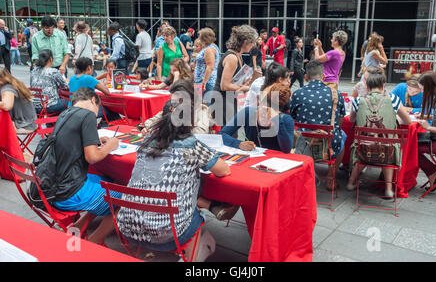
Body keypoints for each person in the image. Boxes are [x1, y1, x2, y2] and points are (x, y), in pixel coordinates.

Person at [116, 99, 230, 261]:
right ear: (190, 123)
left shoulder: (146, 143)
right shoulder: (191, 145)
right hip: (169, 232)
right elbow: (223, 170)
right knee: (195, 216)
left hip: (128, 227)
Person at [49, 87, 121, 245]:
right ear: (93, 101)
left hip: (54, 186)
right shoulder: (87, 115)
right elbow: (93, 157)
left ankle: (79, 225)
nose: (97, 114)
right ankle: (95, 241)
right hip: (70, 192)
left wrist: (95, 141)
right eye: (98, 109)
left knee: (108, 180)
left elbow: (73, 142)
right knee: (126, 196)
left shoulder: (65, 113)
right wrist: (111, 145)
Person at [346, 73, 412, 198]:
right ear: (383, 86)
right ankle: (388, 189)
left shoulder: (359, 100)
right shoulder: (393, 99)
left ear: (367, 86)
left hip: (363, 149)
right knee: (388, 145)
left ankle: (350, 182)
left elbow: (351, 119)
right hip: (388, 151)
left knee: (364, 147)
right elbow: (408, 121)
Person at [290, 60, 347, 191]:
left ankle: (305, 173)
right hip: (329, 146)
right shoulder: (335, 94)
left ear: (306, 77)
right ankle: (331, 178)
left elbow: (293, 117)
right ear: (323, 77)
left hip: (303, 145)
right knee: (342, 135)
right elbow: (340, 121)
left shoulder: (298, 94)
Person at [220, 83, 294, 154]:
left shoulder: (285, 120)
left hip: (275, 162)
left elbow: (286, 149)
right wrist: (239, 144)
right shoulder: (248, 112)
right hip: (252, 159)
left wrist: (277, 120)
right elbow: (222, 134)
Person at [213, 25, 259, 126]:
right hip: (222, 99)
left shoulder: (238, 55)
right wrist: (245, 88)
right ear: (245, 42)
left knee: (231, 132)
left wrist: (251, 80)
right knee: (228, 133)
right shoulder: (232, 57)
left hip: (228, 98)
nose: (253, 45)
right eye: (252, 42)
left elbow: (236, 81)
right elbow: (224, 85)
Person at [30, 49, 69, 115]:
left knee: (55, 101)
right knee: (69, 102)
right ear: (51, 59)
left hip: (34, 106)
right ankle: (59, 123)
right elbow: (64, 86)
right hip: (47, 106)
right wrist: (66, 81)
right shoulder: (53, 71)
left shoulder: (33, 71)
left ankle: (51, 123)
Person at [0, 68, 37, 133]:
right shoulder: (11, 84)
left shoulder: (7, 88)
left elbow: (7, 105)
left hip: (24, 125)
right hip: (26, 122)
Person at [194, 28, 220, 96]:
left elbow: (210, 67)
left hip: (205, 81)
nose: (198, 37)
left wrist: (204, 82)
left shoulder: (209, 49)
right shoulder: (212, 46)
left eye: (200, 36)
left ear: (204, 38)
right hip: (203, 80)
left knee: (202, 104)